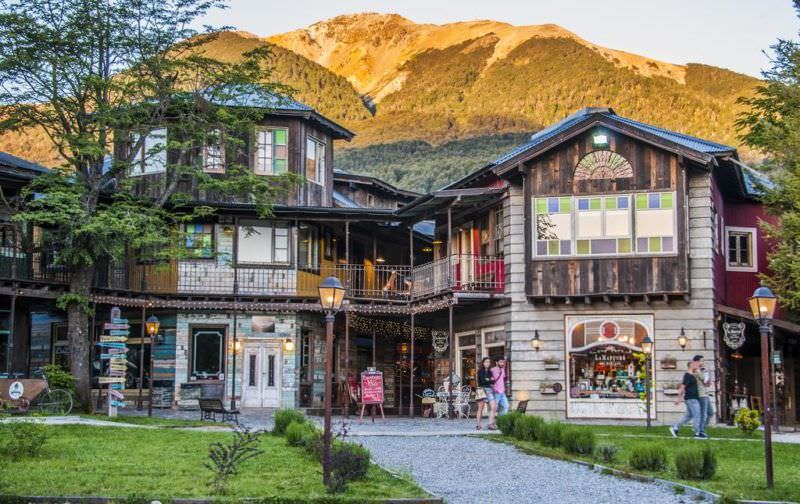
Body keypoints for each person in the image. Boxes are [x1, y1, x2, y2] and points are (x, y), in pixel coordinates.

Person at [669, 359, 708, 439]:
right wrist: (678, 399)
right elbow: (682, 387)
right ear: (691, 365)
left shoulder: (693, 375)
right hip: (691, 398)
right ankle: (697, 433)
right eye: (694, 364)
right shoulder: (687, 375)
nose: (697, 366)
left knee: (688, 416)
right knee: (697, 414)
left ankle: (675, 427)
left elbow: (703, 379)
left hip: (693, 398)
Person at [693, 355, 715, 432]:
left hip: (705, 393)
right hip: (701, 394)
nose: (703, 362)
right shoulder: (696, 370)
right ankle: (699, 430)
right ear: (697, 361)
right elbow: (705, 382)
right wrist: (708, 373)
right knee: (703, 414)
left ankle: (700, 428)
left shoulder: (702, 370)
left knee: (710, 412)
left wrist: (709, 374)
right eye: (702, 360)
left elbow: (708, 384)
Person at [476, 357, 497, 430]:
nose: (487, 363)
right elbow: (483, 381)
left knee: (493, 406)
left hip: (490, 390)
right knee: (480, 408)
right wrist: (489, 380)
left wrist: (489, 380)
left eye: (488, 362)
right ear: (483, 363)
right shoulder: (480, 371)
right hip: (481, 390)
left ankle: (490, 424)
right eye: (486, 362)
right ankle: (478, 425)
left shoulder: (490, 372)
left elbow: (493, 381)